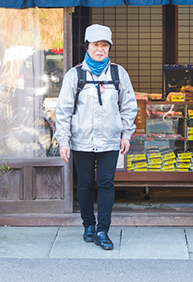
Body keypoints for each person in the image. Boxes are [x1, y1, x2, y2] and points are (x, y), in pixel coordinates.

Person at [54, 24, 137, 251]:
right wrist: (64, 140)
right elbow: (63, 110)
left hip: (110, 139)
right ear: (87, 47)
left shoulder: (118, 73)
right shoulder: (76, 74)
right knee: (86, 184)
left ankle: (103, 230)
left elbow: (129, 106)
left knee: (106, 183)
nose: (100, 49)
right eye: (95, 45)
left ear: (109, 47)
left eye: (104, 45)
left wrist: (126, 134)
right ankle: (88, 225)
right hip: (82, 140)